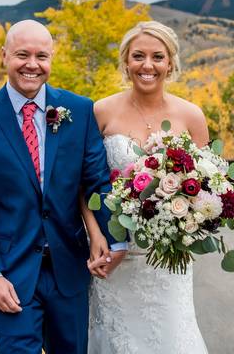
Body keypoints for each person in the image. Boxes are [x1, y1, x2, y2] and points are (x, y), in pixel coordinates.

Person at [0, 19, 126, 354]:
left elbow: (97, 182)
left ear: (51, 60)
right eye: (22, 54)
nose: (32, 65)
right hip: (10, 274)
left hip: (69, 269)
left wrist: (115, 239)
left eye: (41, 56)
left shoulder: (78, 110)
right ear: (3, 56)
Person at [82, 20, 210, 353]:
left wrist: (185, 222)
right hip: (112, 253)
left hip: (166, 259)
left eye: (158, 57)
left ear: (171, 63)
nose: (147, 65)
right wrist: (97, 236)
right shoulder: (100, 112)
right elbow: (82, 184)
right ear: (126, 62)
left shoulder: (191, 116)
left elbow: (207, 187)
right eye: (138, 56)